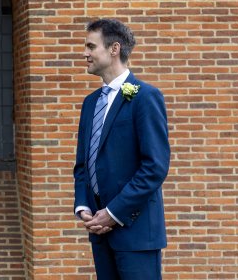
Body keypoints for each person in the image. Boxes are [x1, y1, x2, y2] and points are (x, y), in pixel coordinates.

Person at [73, 19, 170, 279]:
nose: (85, 53)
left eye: (91, 46)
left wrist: (114, 213)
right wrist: (83, 206)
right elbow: (83, 164)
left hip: (136, 234)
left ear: (114, 49)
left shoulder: (145, 97)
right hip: (100, 234)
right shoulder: (90, 103)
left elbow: (155, 167)